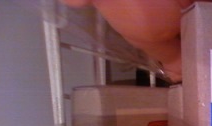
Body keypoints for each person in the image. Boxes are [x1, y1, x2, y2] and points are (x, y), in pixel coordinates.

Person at [60, 0, 197, 83]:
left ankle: (176, 63)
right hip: (142, 32)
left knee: (168, 54)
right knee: (170, 56)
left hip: (147, 27)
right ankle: (176, 64)